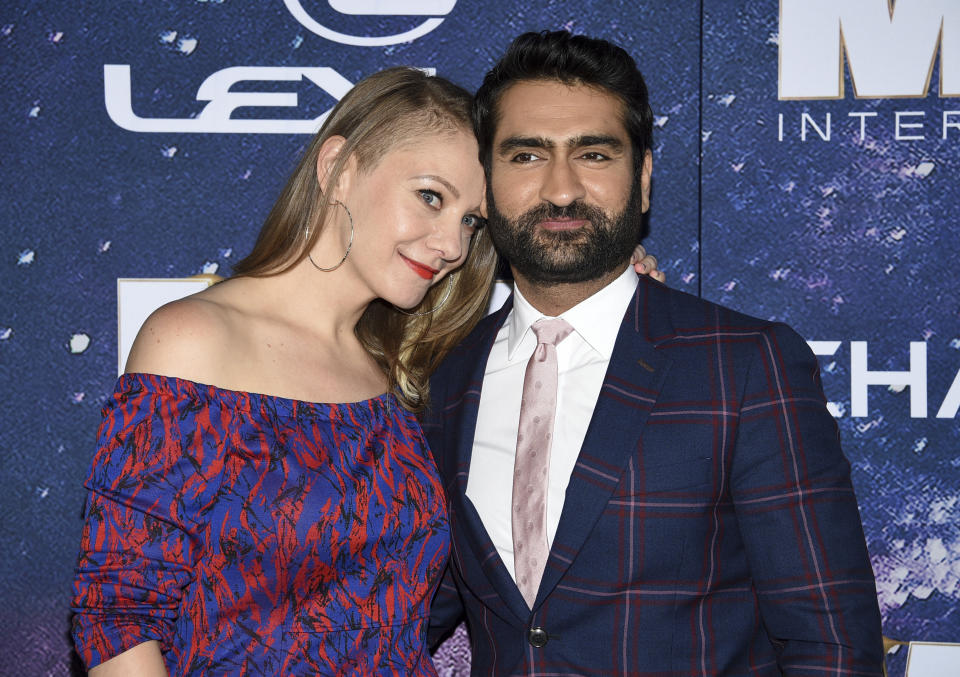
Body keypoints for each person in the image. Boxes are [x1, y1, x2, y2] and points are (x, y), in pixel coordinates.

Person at [70, 65, 661, 676]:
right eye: (430, 197)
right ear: (338, 169)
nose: (452, 246)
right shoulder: (194, 340)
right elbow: (117, 617)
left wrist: (609, 286)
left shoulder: (407, 369)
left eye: (470, 222)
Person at [424, 31, 885, 675]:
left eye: (593, 154)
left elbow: (831, 649)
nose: (561, 190)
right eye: (527, 155)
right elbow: (405, 609)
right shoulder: (445, 379)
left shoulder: (745, 365)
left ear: (641, 178)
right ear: (487, 180)